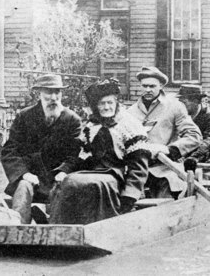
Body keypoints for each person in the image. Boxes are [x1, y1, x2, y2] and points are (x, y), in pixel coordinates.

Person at [49, 79, 151, 224]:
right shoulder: (92, 126)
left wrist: (130, 194)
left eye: (110, 103)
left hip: (116, 175)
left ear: (117, 103)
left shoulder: (130, 125)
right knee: (66, 181)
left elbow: (139, 166)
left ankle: (95, 227)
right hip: (92, 172)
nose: (106, 107)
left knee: (85, 183)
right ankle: (60, 224)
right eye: (101, 104)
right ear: (96, 106)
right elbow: (78, 156)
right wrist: (64, 171)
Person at [0, 74, 82, 224]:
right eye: (48, 92)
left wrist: (64, 171)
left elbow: (75, 154)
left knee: (63, 190)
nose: (53, 97)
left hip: (58, 177)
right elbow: (9, 150)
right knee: (23, 187)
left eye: (57, 92)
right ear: (39, 93)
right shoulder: (25, 117)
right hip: (32, 176)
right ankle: (17, 229)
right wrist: (24, 174)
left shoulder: (72, 120)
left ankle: (52, 229)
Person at [128, 67, 202, 199]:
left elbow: (194, 136)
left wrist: (169, 150)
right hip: (137, 169)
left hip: (165, 167)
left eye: (152, 86)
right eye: (144, 86)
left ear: (161, 85)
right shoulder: (130, 112)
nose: (148, 90)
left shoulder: (175, 107)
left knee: (166, 195)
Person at [176, 84, 210, 172]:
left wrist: (194, 157)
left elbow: (209, 141)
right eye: (179, 103)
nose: (180, 106)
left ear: (196, 101)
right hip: (187, 157)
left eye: (184, 103)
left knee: (206, 173)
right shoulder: (180, 117)